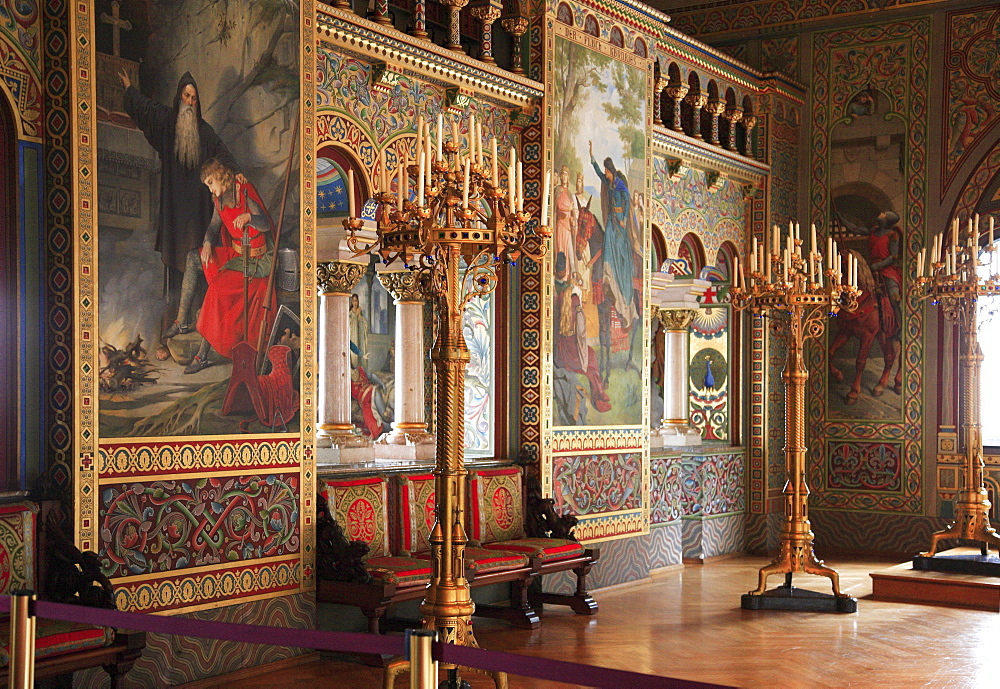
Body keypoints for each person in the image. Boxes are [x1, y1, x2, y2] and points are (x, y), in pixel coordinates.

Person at [119, 70, 239, 340]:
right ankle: (174, 326)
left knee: (199, 261)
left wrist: (236, 170)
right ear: (179, 97)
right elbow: (143, 108)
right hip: (174, 207)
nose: (190, 101)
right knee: (175, 266)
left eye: (194, 98)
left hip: (198, 208)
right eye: (186, 96)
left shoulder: (205, 132)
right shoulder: (165, 120)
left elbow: (222, 152)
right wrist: (129, 88)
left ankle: (201, 328)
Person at [185, 158, 276, 373]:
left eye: (210, 182)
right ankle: (201, 353)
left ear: (219, 176)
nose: (210, 188)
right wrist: (207, 242)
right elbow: (213, 227)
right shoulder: (219, 200)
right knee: (214, 286)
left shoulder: (243, 191)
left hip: (258, 262)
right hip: (237, 257)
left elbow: (264, 224)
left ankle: (202, 355)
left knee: (216, 290)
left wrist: (248, 217)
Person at [838, 209, 903, 341]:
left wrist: (878, 266)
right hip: (870, 267)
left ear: (887, 220)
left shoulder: (892, 235)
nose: (880, 214)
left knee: (894, 299)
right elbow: (855, 228)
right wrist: (840, 218)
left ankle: (898, 329)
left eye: (884, 214)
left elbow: (893, 257)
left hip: (887, 270)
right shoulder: (873, 231)